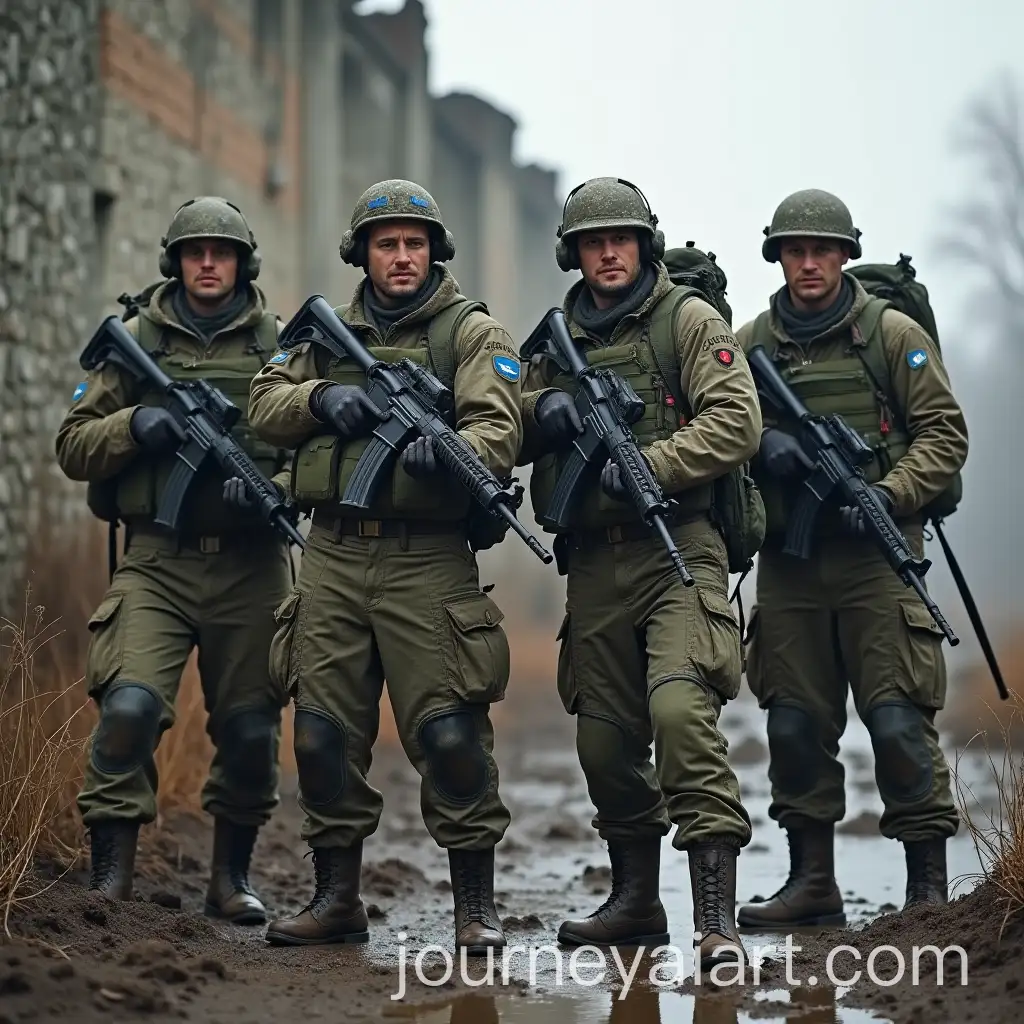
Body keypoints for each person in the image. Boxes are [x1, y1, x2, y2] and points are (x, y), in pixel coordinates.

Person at [248, 179, 522, 955]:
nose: (401, 257)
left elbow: (498, 429)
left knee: (449, 736)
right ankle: (336, 898)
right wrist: (322, 400)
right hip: (332, 553)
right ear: (362, 254)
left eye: (413, 243)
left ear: (434, 251)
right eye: (385, 244)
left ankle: (475, 907)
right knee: (321, 737)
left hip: (426, 560)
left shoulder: (472, 333)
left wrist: (452, 451)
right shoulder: (325, 335)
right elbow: (265, 404)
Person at [517, 177, 762, 968]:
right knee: (602, 742)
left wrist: (651, 465)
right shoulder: (554, 341)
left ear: (644, 244)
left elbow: (737, 419)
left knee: (681, 715)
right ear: (575, 253)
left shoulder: (685, 321)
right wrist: (542, 415)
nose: (609, 252)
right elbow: (497, 422)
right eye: (594, 242)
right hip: (594, 564)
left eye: (621, 238)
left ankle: (715, 920)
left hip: (680, 548)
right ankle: (635, 902)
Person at [54, 196, 295, 924]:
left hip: (252, 567)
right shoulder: (133, 341)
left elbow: (313, 451)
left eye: (222, 253)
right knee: (128, 708)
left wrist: (272, 492)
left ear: (243, 262)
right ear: (177, 262)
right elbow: (74, 444)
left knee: (251, 730)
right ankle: (112, 876)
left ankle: (230, 879)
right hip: (156, 561)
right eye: (196, 253)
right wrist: (137, 423)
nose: (209, 265)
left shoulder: (279, 349)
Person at [734, 189, 968, 929]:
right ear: (779, 256)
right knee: (796, 726)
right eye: (795, 251)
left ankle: (927, 887)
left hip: (879, 557)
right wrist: (762, 448)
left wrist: (886, 492)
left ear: (845, 255)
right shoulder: (748, 346)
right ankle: (812, 883)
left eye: (823, 250)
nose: (809, 263)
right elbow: (717, 430)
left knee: (898, 721)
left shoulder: (892, 336)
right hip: (791, 568)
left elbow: (944, 435)